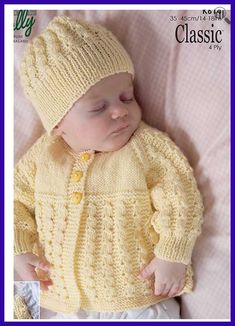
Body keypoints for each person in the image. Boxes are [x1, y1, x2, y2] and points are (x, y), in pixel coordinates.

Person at [14, 15, 204, 320]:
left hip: (135, 299)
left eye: (127, 97)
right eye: (98, 107)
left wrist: (173, 253)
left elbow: (180, 197)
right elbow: (13, 202)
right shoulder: (42, 158)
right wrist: (18, 247)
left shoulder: (146, 148)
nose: (120, 111)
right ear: (58, 123)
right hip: (57, 300)